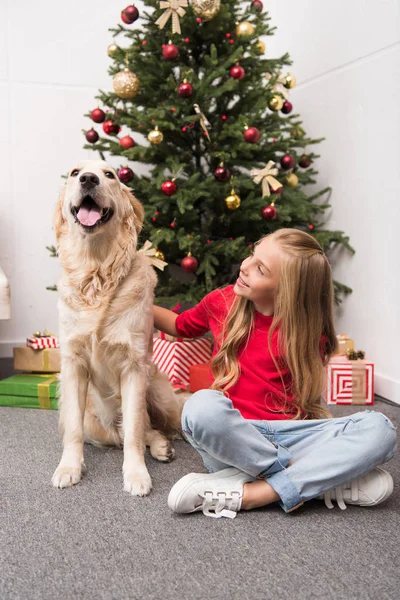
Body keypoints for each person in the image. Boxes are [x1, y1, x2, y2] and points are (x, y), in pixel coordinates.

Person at [154, 229, 397, 519]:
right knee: (199, 408)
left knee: (380, 428)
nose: (244, 266)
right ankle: (311, 481)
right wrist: (139, 303)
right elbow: (181, 326)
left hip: (293, 435)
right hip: (238, 440)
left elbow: (307, 403)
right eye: (252, 255)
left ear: (287, 290)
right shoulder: (222, 301)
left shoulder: (306, 329)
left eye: (260, 269)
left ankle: (257, 493)